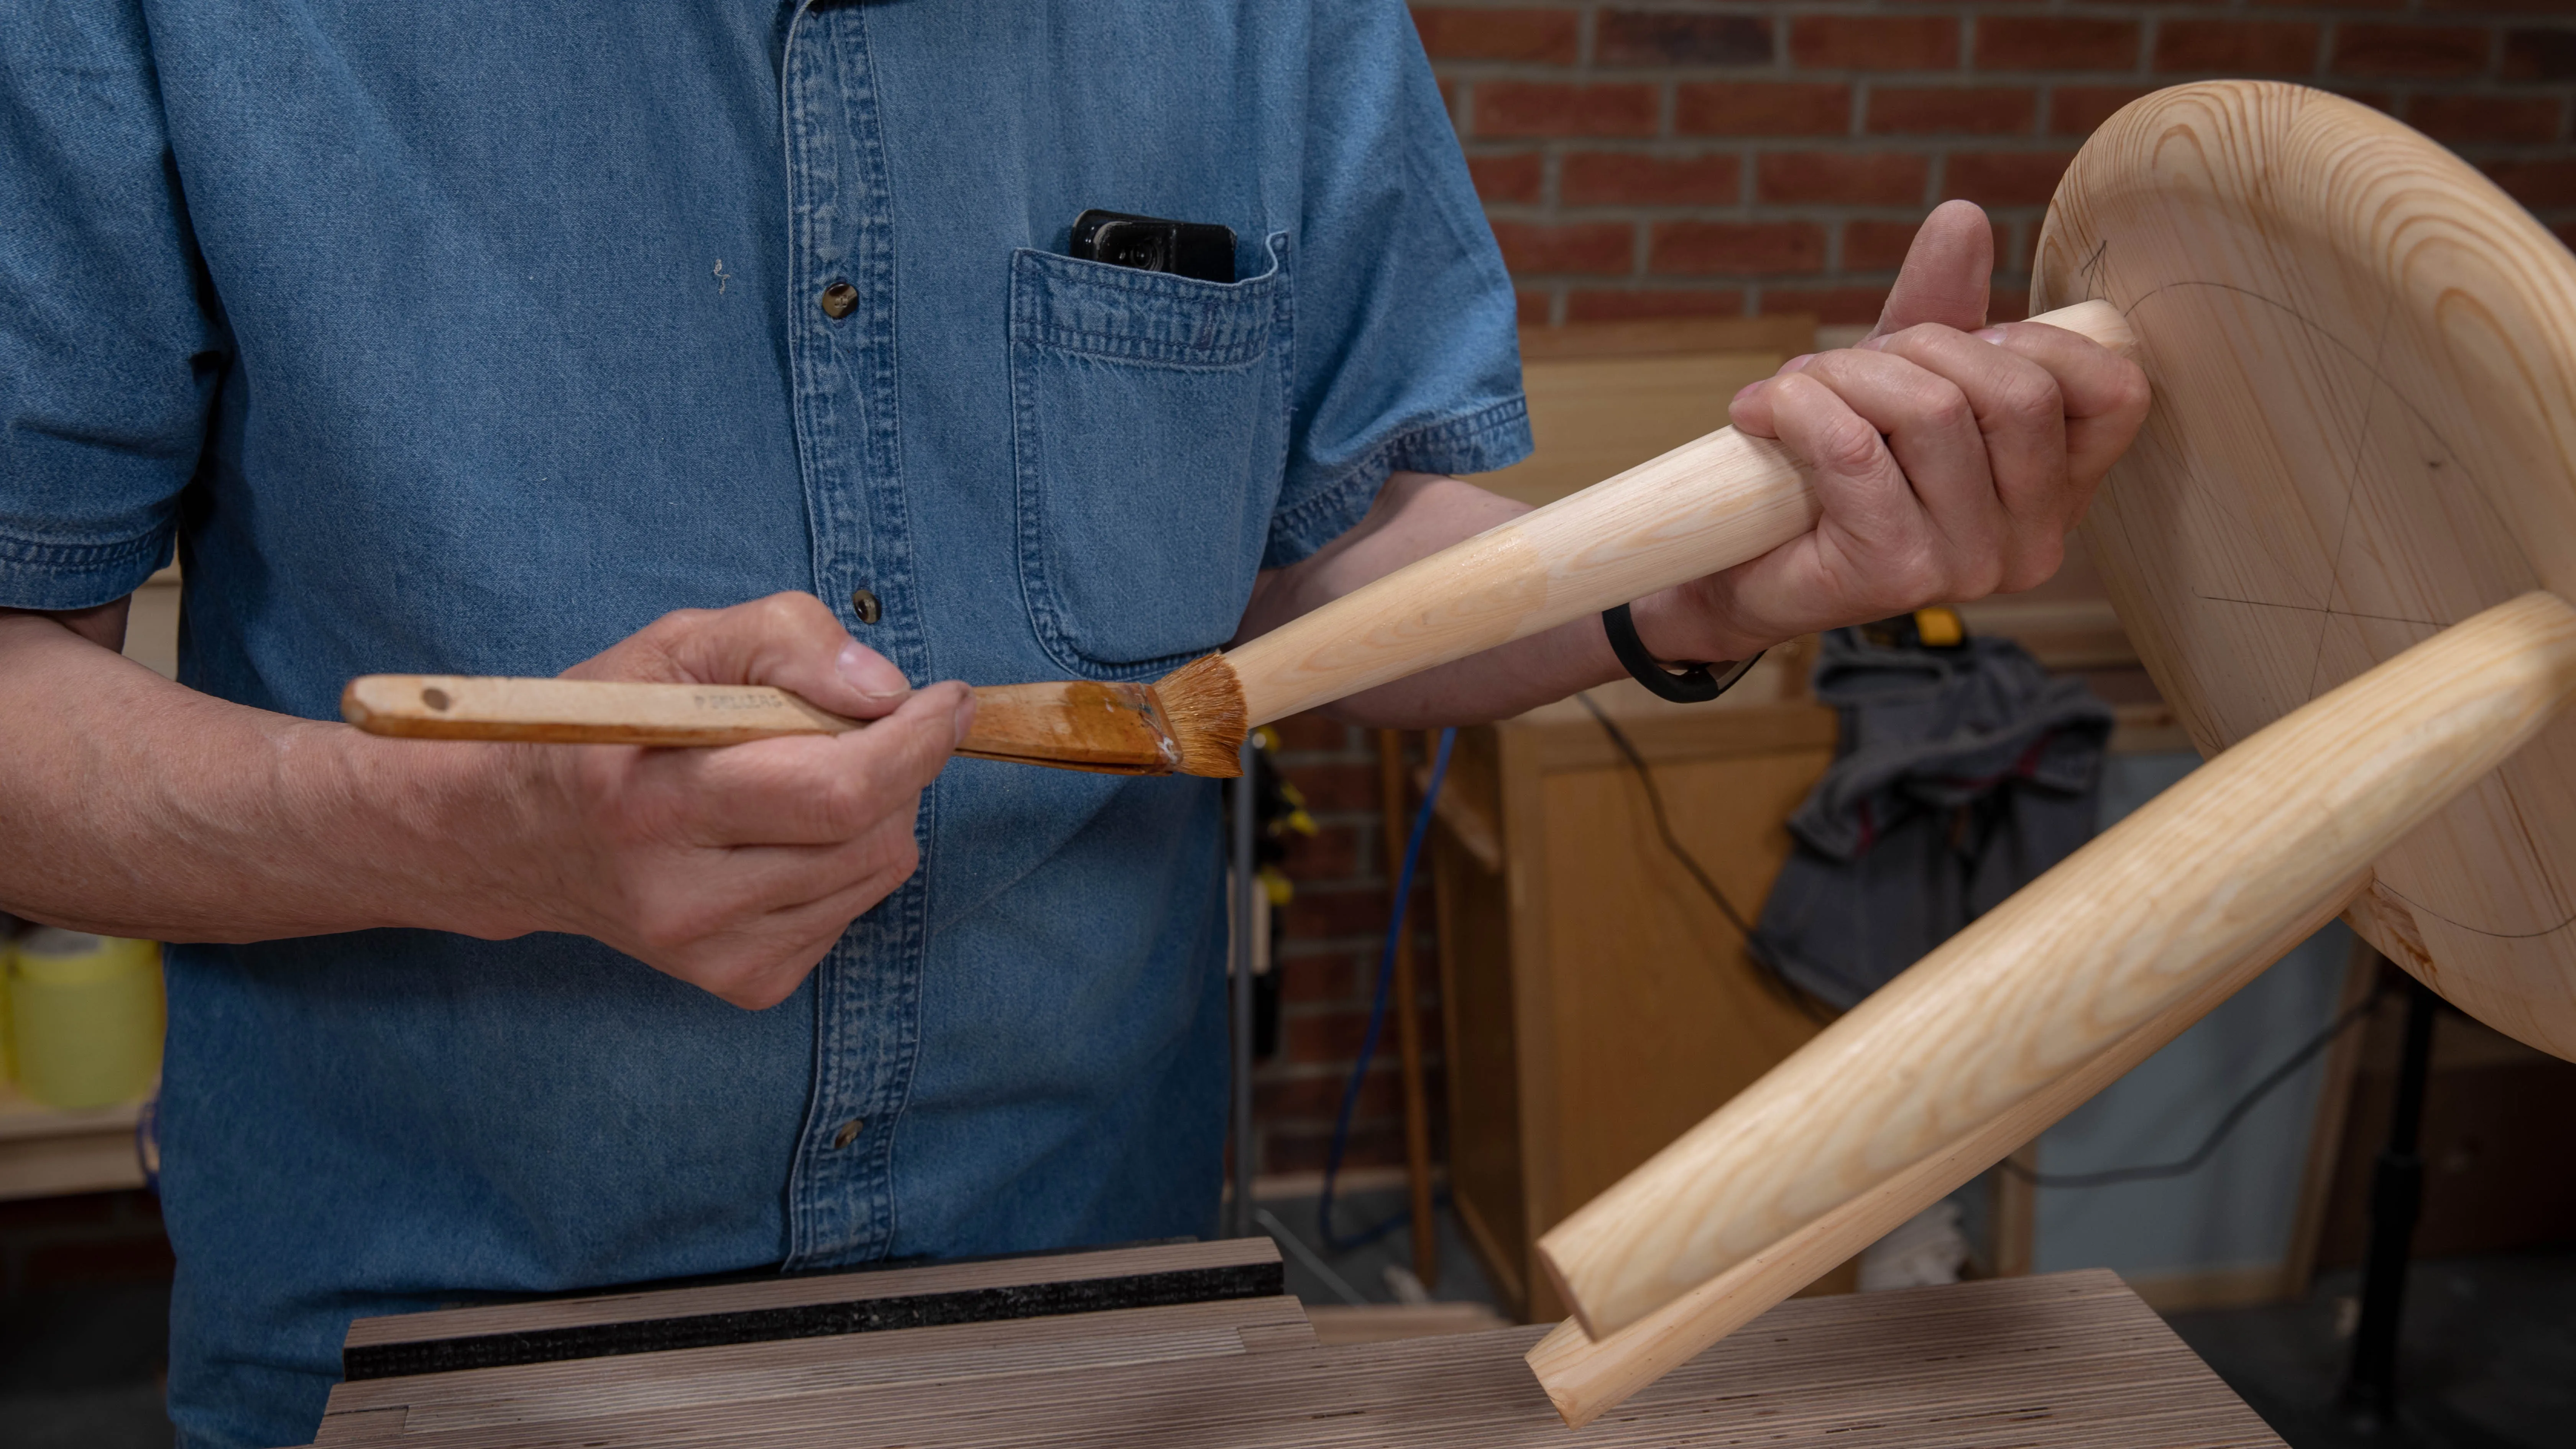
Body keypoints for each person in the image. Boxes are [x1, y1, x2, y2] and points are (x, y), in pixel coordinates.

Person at [0, 4, 2147, 1444]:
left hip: (1105, 1316)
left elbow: (1317, 562)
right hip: (432, 1337)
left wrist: (1706, 585)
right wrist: (477, 842)